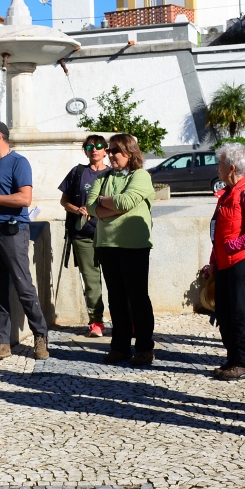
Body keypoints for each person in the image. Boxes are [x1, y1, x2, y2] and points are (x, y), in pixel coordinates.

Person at [0, 120, 49, 363]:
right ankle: (2, 342)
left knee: (23, 286)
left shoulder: (18, 163)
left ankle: (40, 336)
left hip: (13, 233)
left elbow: (25, 199)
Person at [85, 133, 156, 366]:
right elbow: (91, 206)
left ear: (130, 152)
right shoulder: (103, 176)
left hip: (133, 245)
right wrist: (112, 204)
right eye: (110, 149)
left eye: (116, 150)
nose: (111, 154)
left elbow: (126, 202)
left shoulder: (141, 176)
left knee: (137, 298)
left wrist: (106, 203)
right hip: (108, 244)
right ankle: (120, 347)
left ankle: (145, 348)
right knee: (116, 299)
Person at [205, 143, 245, 381]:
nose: (217, 168)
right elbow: (217, 232)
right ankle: (234, 358)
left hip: (242, 263)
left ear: (230, 168)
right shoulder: (227, 194)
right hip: (224, 264)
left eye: (219, 163)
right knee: (225, 313)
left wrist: (233, 246)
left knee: (239, 313)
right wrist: (213, 261)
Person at [58, 134, 109, 338]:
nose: (94, 150)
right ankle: (96, 322)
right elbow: (64, 200)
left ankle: (126, 320)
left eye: (98, 146)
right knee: (91, 280)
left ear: (105, 150)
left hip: (109, 234)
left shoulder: (113, 173)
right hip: (82, 235)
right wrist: (76, 209)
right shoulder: (78, 172)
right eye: (89, 147)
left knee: (116, 280)